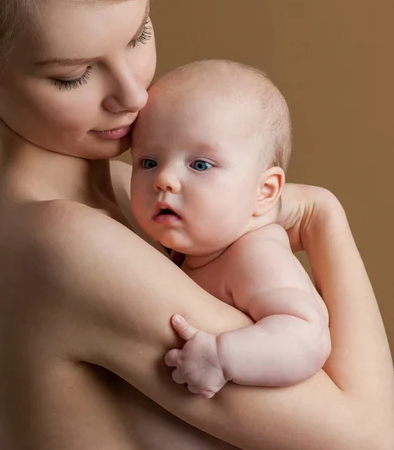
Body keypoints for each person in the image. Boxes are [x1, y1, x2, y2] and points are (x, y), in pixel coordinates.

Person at [0, 0, 392, 450]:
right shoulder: (61, 244)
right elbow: (371, 439)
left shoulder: (134, 196)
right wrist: (324, 216)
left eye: (139, 34)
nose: (133, 94)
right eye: (73, 75)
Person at [130, 59, 331, 399]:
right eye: (149, 162)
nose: (164, 179)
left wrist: (223, 357)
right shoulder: (197, 250)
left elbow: (307, 337)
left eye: (200, 165)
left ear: (264, 191)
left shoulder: (255, 254)